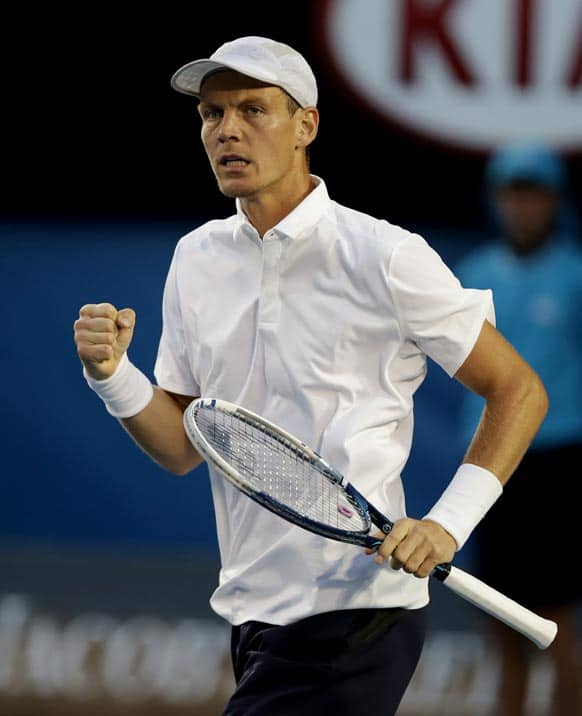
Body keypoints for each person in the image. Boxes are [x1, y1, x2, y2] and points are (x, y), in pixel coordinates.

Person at [72, 37, 548, 716]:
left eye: (253, 109)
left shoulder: (386, 256)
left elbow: (519, 390)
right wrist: (112, 376)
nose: (227, 130)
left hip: (357, 612)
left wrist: (446, 526)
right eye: (212, 114)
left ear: (306, 126)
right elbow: (184, 445)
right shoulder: (195, 258)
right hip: (255, 613)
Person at [455, 141, 582, 716]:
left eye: (533, 194)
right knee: (499, 615)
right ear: (495, 200)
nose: (521, 207)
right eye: (511, 194)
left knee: (554, 622)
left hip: (558, 465)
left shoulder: (576, 277)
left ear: (554, 201)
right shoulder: (473, 275)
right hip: (488, 468)